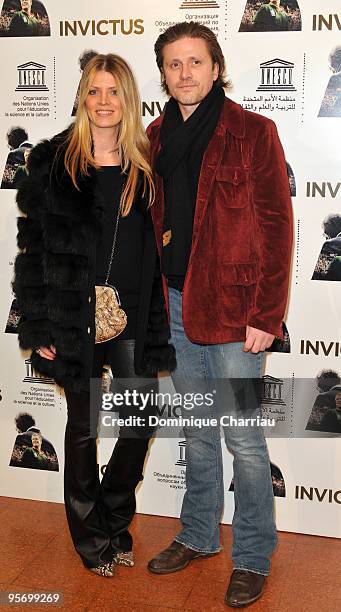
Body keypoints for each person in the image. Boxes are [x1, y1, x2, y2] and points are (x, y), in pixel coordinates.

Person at [146, 22, 293, 608]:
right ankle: (200, 534)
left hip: (236, 312)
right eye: (174, 64)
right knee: (198, 433)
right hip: (175, 304)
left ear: (215, 67)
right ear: (164, 73)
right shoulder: (154, 134)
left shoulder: (253, 131)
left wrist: (267, 312)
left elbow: (279, 228)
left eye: (195, 62)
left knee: (245, 440)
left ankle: (253, 555)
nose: (185, 73)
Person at [13, 53, 175, 578]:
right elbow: (31, 253)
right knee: (83, 430)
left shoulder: (145, 167)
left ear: (128, 100)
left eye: (114, 92)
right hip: (74, 319)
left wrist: (153, 318)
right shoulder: (54, 165)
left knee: (139, 421)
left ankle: (113, 516)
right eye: (94, 91)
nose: (104, 102)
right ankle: (91, 540)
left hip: (130, 317)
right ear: (82, 97)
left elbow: (153, 253)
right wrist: (37, 325)